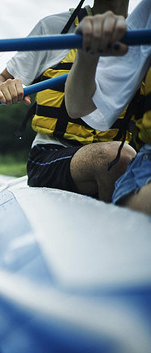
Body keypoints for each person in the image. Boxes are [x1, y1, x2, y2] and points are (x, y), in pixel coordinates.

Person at [0, 0, 136, 202]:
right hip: (52, 154)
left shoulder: (142, 33)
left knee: (120, 157)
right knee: (115, 158)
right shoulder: (54, 27)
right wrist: (1, 88)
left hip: (130, 158)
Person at [65, 0, 151, 215]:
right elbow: (77, 107)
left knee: (116, 154)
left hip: (120, 150)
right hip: (54, 150)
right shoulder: (144, 18)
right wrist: (87, 55)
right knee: (113, 155)